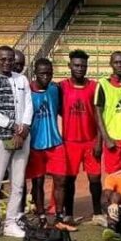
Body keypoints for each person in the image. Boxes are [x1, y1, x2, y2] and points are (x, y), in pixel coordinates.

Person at [0, 45, 34, 241]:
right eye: (2, 59)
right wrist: (13, 126)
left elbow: (28, 105)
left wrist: (25, 126)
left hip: (23, 136)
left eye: (10, 59)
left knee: (18, 183)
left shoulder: (21, 79)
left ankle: (11, 222)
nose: (7, 62)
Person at [25, 58, 74, 231]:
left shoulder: (55, 89)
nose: (46, 76)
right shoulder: (27, 91)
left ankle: (59, 215)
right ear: (35, 73)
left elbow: (61, 110)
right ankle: (41, 215)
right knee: (37, 183)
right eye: (42, 73)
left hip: (55, 142)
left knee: (61, 180)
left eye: (49, 73)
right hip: (35, 145)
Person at [59, 50, 103, 222]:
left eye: (83, 66)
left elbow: (100, 116)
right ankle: (68, 214)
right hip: (70, 142)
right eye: (76, 65)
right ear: (69, 66)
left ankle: (98, 214)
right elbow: (59, 110)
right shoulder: (62, 87)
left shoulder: (94, 87)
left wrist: (99, 141)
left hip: (90, 141)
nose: (80, 69)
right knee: (70, 179)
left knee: (95, 178)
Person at [94, 51, 121, 178]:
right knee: (114, 176)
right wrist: (105, 138)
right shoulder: (103, 84)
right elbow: (98, 113)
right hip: (113, 139)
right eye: (116, 62)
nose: (119, 65)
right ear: (111, 64)